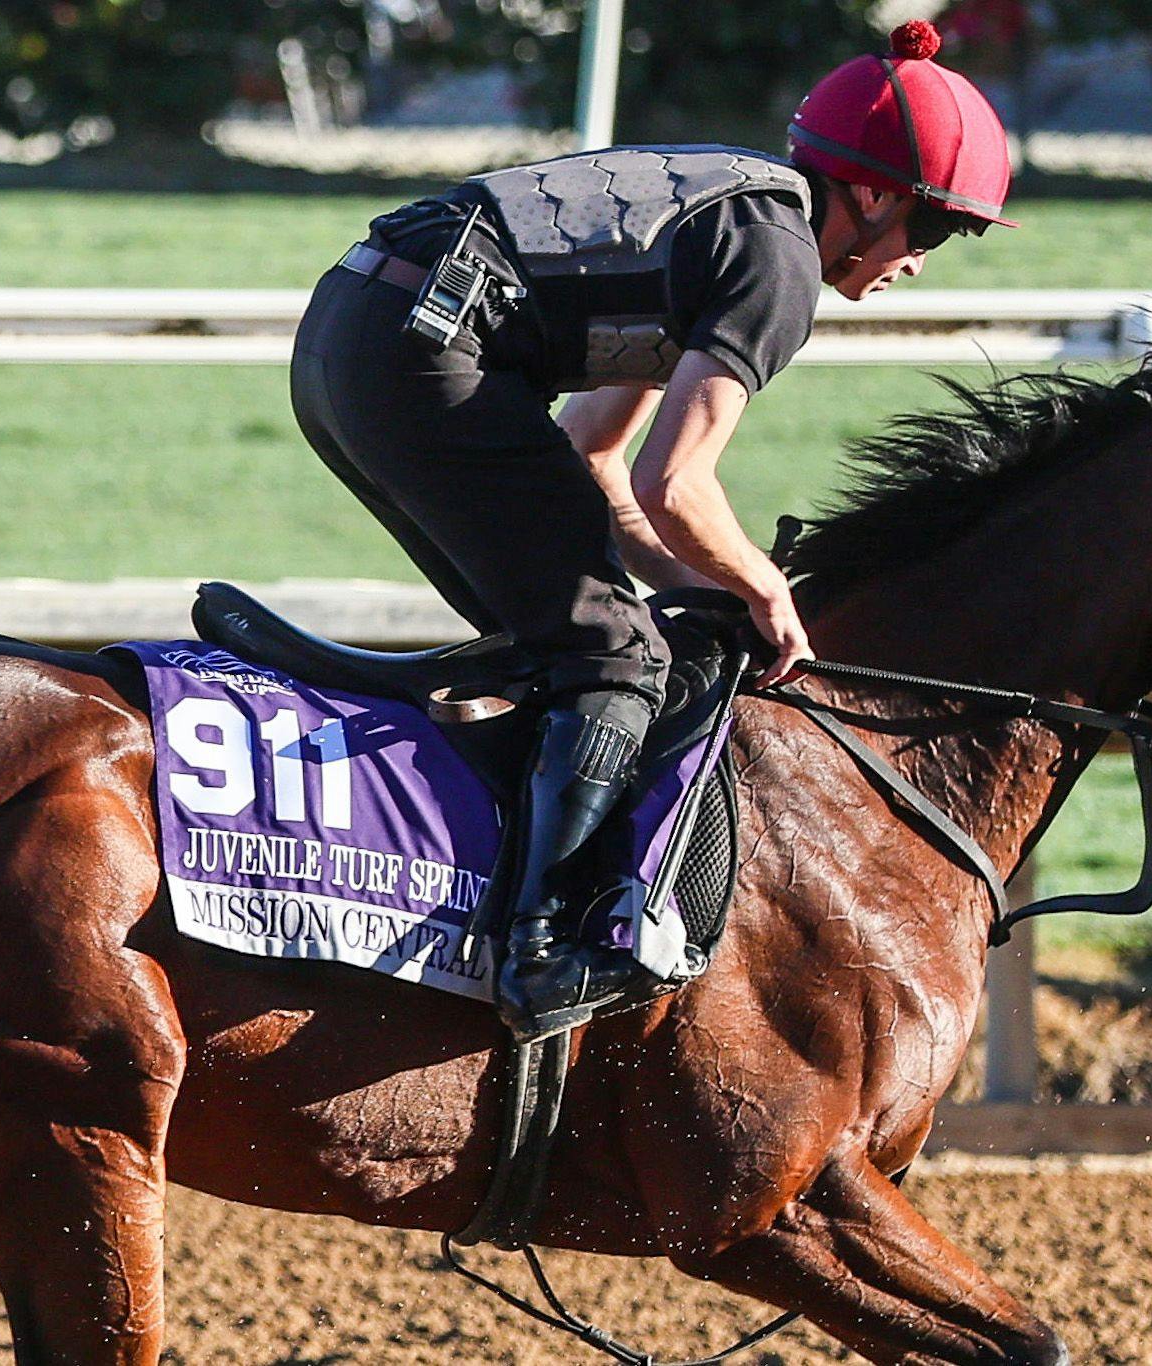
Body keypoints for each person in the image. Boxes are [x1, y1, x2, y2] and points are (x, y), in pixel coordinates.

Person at [289, 20, 1015, 1041]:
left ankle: (466, 886)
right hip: (416, 358)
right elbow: (671, 479)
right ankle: (537, 953)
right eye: (935, 232)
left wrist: (697, 590)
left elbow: (595, 466)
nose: (921, 263)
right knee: (611, 657)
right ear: (876, 196)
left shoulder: (740, 210)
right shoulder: (780, 264)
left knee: (581, 639)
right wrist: (764, 590)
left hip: (354, 335)